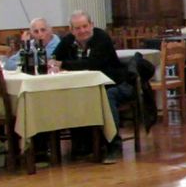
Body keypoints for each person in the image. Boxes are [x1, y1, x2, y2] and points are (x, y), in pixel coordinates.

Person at [52, 10, 132, 163]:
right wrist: (53, 63)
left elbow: (92, 65)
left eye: (85, 26)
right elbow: (54, 58)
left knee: (107, 98)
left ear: (92, 25)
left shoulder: (102, 38)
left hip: (114, 83)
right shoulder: (68, 41)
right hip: (83, 87)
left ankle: (113, 145)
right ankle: (84, 144)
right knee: (68, 97)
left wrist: (63, 64)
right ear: (71, 30)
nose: (82, 31)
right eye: (77, 28)